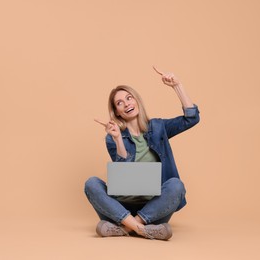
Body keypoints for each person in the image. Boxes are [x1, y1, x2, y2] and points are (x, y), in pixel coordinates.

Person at [84, 67, 200, 240]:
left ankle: (126, 228)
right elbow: (124, 178)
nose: (127, 103)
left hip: (153, 208)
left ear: (137, 101)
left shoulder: (158, 127)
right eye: (120, 103)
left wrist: (177, 86)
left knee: (176, 185)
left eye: (129, 98)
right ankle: (144, 230)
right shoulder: (113, 137)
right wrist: (117, 139)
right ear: (117, 112)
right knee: (91, 183)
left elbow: (191, 118)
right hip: (119, 207)